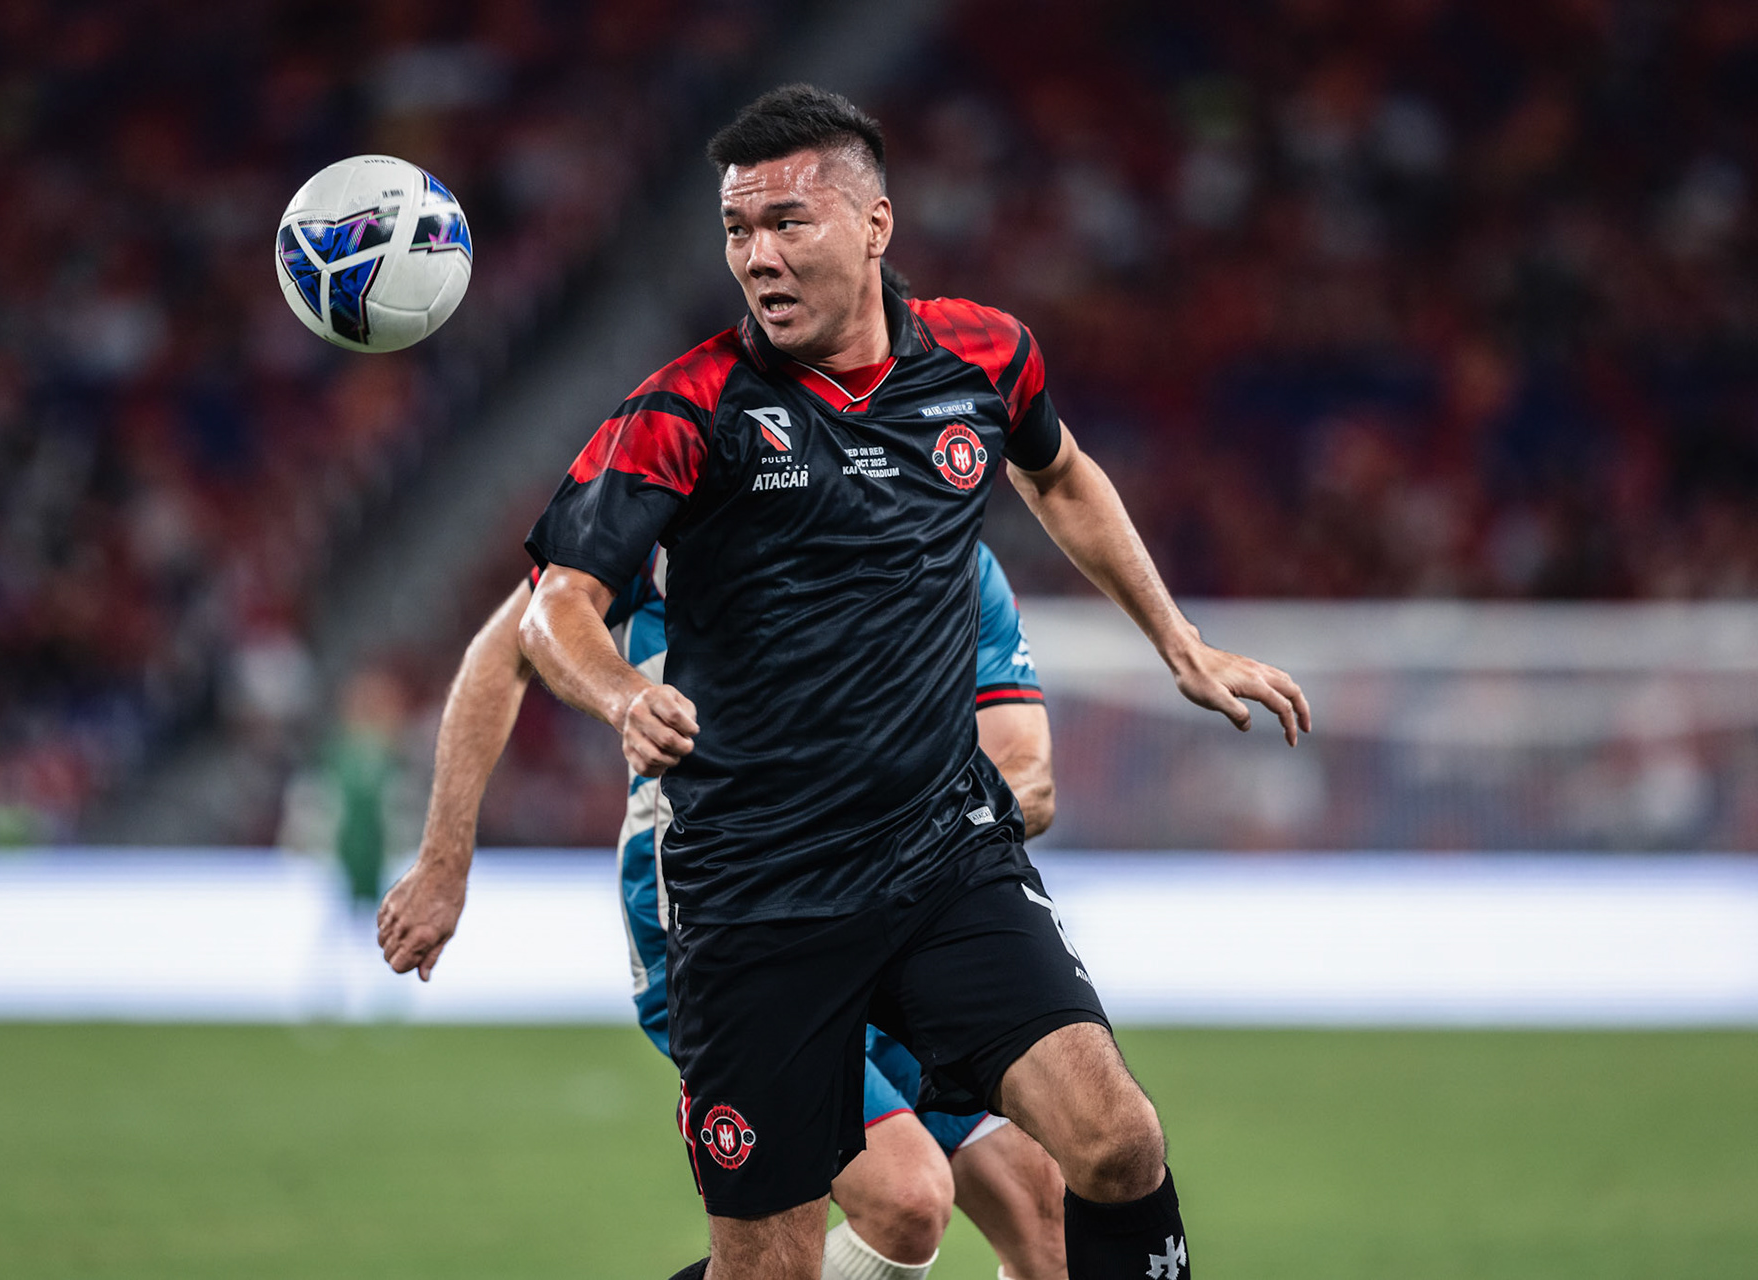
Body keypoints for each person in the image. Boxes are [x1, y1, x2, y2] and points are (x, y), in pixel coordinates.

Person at [514, 84, 1311, 1280]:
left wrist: (1178, 640)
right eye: (738, 230)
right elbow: (553, 606)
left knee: (1115, 1142)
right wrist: (624, 692)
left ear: (875, 225)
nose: (758, 257)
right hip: (757, 899)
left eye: (789, 221)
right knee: (776, 1266)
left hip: (944, 861)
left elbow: (1063, 474)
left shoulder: (983, 355)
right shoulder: (688, 408)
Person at [379, 538, 1068, 1280]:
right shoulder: (691, 507)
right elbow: (512, 643)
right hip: (722, 918)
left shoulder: (955, 554)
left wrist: (897, 807)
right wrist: (445, 861)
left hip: (901, 914)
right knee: (903, 1202)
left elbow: (1028, 775)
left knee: (1048, 1219)